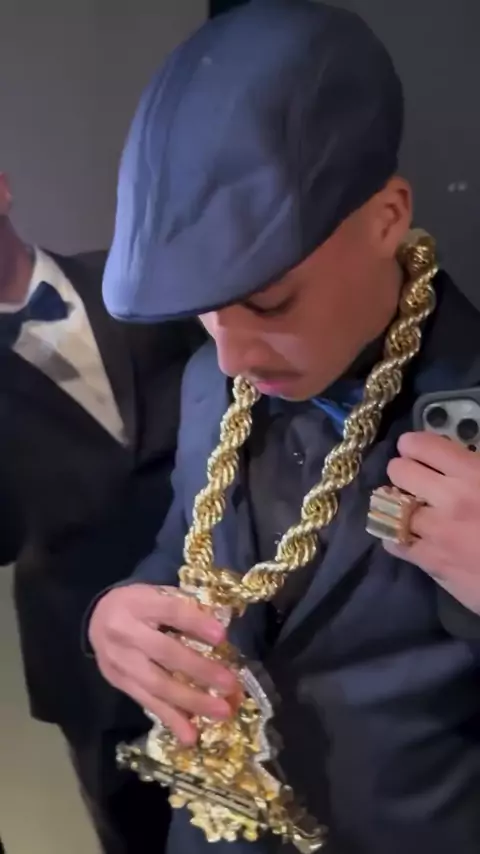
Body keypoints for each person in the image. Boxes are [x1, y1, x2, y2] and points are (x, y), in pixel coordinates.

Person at [88, 1, 480, 852]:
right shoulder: (209, 379)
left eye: (269, 301)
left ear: (386, 218)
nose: (231, 355)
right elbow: (184, 550)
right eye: (205, 312)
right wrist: (119, 615)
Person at [0, 170, 205, 854]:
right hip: (89, 662)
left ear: (1, 189)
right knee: (139, 839)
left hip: (230, 606)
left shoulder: (142, 278)